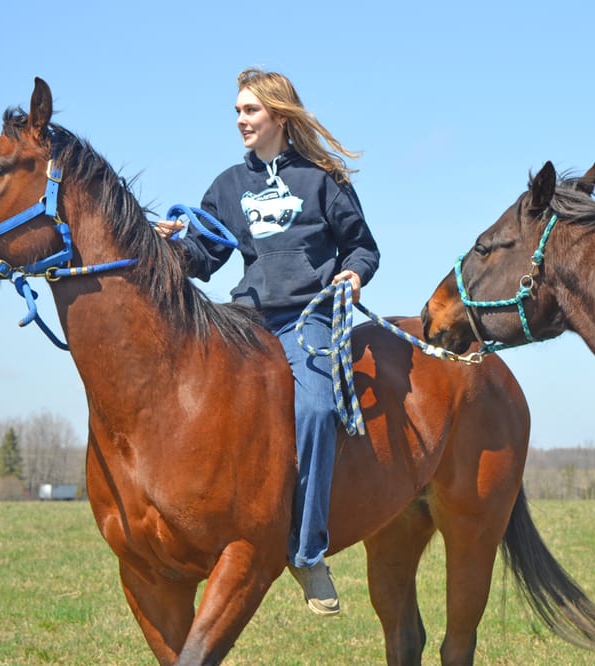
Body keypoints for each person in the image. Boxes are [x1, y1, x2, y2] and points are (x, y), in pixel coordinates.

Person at [155, 68, 380, 616]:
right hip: (247, 319)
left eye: (250, 111)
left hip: (309, 318)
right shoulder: (229, 185)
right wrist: (172, 249)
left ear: (278, 115)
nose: (240, 121)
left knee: (317, 410)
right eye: (236, 112)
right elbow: (207, 257)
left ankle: (306, 554)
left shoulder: (323, 179)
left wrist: (352, 274)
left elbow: (362, 247)